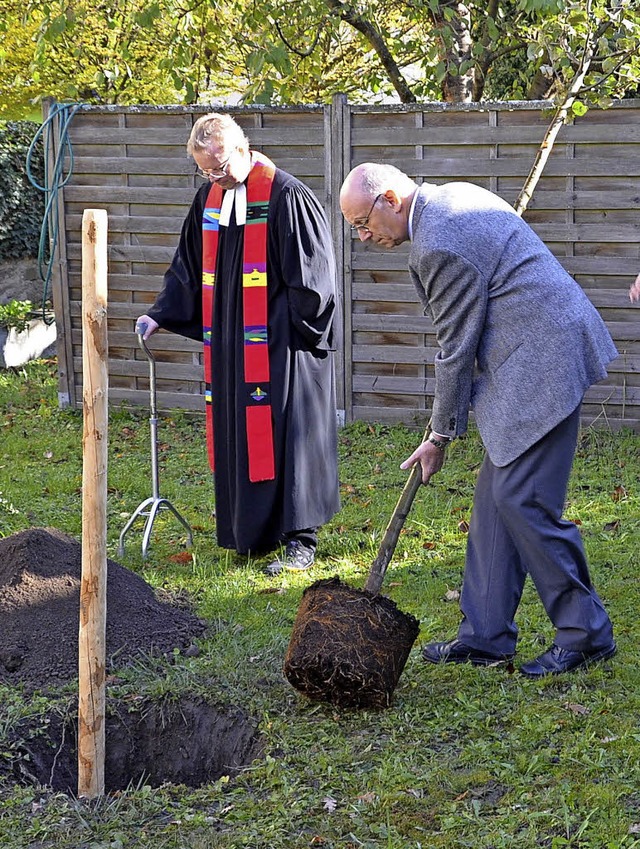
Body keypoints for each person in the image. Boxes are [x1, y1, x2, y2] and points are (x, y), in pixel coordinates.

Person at [340, 162, 618, 678]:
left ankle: (586, 634)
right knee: (495, 500)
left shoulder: (438, 242)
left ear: (392, 200)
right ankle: (486, 637)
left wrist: (440, 434)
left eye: (362, 222)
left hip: (543, 360)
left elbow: (456, 346)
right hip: (526, 355)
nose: (363, 236)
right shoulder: (450, 197)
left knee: (522, 498)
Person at [136, 113, 340, 575]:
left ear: (244, 148)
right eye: (207, 170)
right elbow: (187, 265)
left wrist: (282, 333)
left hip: (283, 346)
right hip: (231, 347)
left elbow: (314, 281)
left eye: (221, 166)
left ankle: (300, 538)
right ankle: (254, 532)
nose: (216, 177)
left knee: (287, 433)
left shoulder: (288, 196)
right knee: (241, 434)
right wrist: (161, 312)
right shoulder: (209, 199)